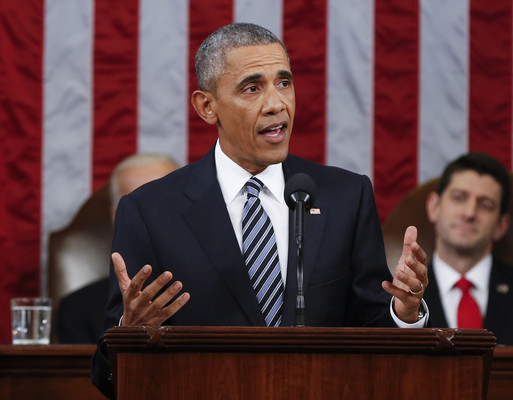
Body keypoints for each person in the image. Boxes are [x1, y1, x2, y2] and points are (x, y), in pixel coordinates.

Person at [91, 22, 429, 398]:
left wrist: (405, 313)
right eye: (252, 88)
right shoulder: (150, 211)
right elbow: (110, 377)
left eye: (284, 82)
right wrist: (131, 333)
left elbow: (373, 333)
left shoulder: (346, 196)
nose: (276, 103)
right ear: (207, 106)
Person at [422, 152, 513, 345]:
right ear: (434, 207)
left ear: (501, 225)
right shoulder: (395, 298)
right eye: (459, 198)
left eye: (485, 205)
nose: (469, 213)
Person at [56, 153, 179, 343]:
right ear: (117, 218)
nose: (154, 217)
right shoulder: (78, 308)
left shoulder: (226, 287)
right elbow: (91, 373)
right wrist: (130, 331)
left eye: (165, 203)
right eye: (139, 207)